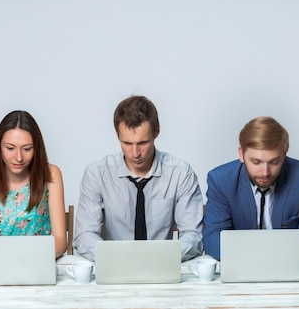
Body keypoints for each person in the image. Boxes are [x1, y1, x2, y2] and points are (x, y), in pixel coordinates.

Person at [73, 95, 203, 261]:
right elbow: (85, 235)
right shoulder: (97, 174)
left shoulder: (180, 173)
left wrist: (160, 258)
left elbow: (193, 235)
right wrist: (117, 259)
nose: (135, 153)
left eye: (143, 143)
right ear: (117, 135)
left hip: (162, 266)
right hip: (114, 267)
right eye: (127, 143)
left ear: (157, 132)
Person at [203, 116, 299, 263]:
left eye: (274, 162)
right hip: (240, 266)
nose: (265, 172)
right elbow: (213, 235)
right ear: (241, 154)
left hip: (289, 264)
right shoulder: (220, 180)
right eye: (256, 162)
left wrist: (295, 259)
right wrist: (250, 261)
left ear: (285, 153)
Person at [0, 110, 67, 258]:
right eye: (10, 148)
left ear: (37, 148)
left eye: (27, 149)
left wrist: (30, 257)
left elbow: (60, 240)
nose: (19, 157)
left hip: (35, 264)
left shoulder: (50, 175)